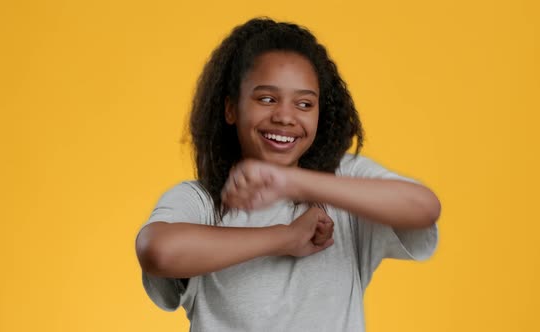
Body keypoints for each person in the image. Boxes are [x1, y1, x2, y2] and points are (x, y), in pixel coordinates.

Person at [135, 17, 441, 332]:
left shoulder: (339, 187)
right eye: (266, 99)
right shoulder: (203, 200)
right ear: (230, 109)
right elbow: (158, 250)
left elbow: (423, 207)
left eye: (304, 104)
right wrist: (285, 237)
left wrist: (290, 182)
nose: (284, 116)